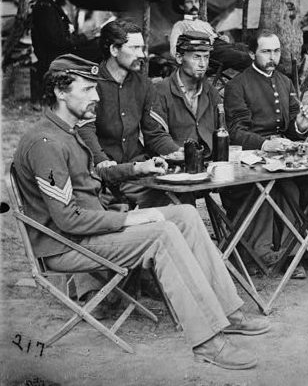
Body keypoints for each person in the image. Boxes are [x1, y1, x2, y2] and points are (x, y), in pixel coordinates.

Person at [13, 54, 269, 370]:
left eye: (96, 88)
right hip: (67, 244)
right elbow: (67, 218)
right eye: (87, 89)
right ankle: (207, 340)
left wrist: (136, 170)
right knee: (161, 234)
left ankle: (228, 312)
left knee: (186, 214)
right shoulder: (45, 142)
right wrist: (129, 217)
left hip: (90, 231)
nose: (96, 97)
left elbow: (90, 184)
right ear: (60, 91)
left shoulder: (68, 131)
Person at [222, 30, 308, 277]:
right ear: (251, 53)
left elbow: (291, 128)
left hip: (283, 156)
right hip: (253, 159)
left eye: (276, 51)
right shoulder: (238, 85)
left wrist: (300, 124)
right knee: (288, 185)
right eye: (266, 51)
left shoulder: (284, 81)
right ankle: (291, 254)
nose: (272, 57)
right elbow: (236, 132)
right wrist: (266, 144)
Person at [78, 19, 180, 209]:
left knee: (179, 195)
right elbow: (85, 131)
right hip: (100, 174)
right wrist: (103, 162)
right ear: (114, 50)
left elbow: (155, 133)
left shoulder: (144, 84)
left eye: (142, 48)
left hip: (137, 170)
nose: (141, 55)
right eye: (134, 48)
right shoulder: (89, 84)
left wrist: (176, 152)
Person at [154, 30, 221, 156]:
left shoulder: (211, 92)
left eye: (206, 57)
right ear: (179, 58)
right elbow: (155, 134)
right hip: (174, 163)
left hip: (208, 162)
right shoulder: (161, 91)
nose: (202, 64)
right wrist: (178, 152)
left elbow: (222, 129)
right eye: (196, 57)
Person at [169, 0, 252, 72]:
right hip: (210, 53)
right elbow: (173, 49)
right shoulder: (181, 25)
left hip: (224, 47)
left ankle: (253, 80)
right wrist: (186, 61)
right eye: (190, 2)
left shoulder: (205, 24)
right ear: (182, 6)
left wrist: (222, 38)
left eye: (196, 2)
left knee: (249, 49)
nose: (194, 5)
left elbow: (217, 37)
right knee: (244, 58)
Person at [30, 0, 77, 105]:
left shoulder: (51, 4)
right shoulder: (45, 7)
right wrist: (83, 38)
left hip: (57, 54)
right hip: (52, 57)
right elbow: (56, 41)